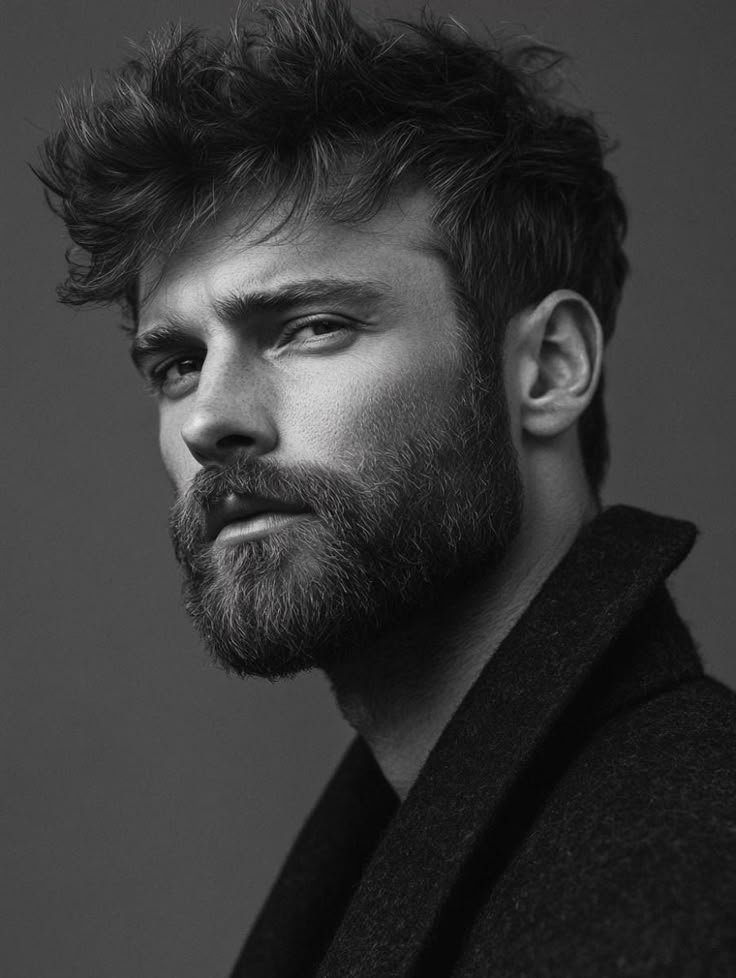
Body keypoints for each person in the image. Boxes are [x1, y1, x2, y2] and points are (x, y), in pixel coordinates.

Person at [34, 0, 736, 974]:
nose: (208, 420)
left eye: (311, 327)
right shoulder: (403, 849)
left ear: (547, 368)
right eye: (178, 364)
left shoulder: (689, 879)